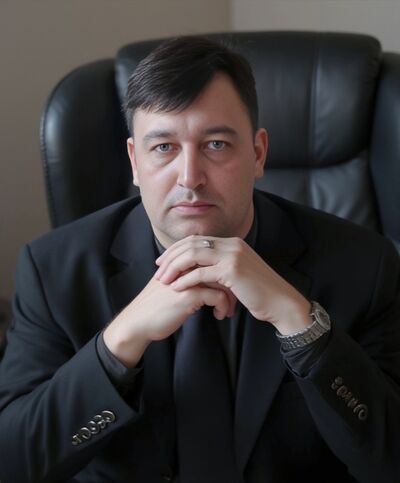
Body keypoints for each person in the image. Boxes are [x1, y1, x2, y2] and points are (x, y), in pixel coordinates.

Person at [0, 36, 400, 483]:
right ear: (134, 162)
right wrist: (119, 343)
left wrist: (302, 326)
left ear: (258, 153)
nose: (190, 178)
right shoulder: (52, 272)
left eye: (216, 144)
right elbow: (14, 465)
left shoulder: (364, 266)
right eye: (163, 147)